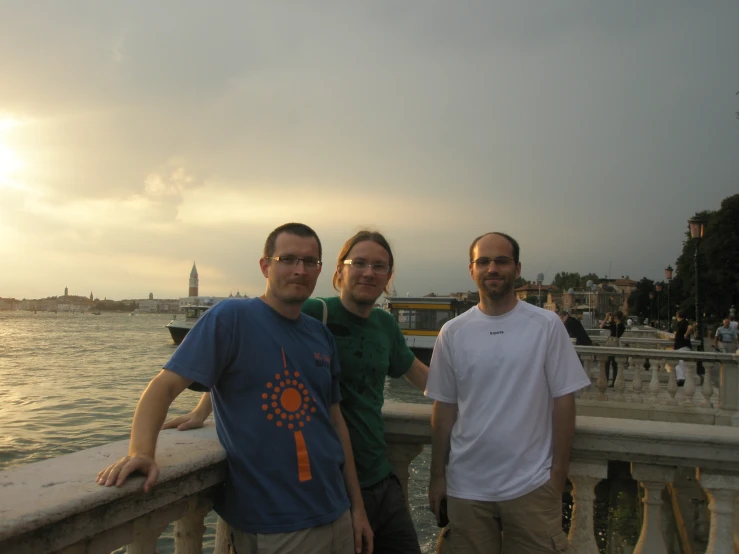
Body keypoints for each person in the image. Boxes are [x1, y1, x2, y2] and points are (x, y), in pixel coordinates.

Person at [96, 223, 373, 554]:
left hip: (336, 513)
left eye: (309, 261)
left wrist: (356, 508)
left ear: (319, 270)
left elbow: (336, 424)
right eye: (288, 259)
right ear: (265, 266)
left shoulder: (321, 335)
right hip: (272, 524)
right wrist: (141, 452)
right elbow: (164, 387)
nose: (299, 270)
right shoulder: (231, 318)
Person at [165, 230, 428, 554]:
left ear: (389, 275)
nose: (369, 272)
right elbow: (248, 356)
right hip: (330, 486)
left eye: (379, 266)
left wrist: (477, 398)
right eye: (359, 263)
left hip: (380, 475)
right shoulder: (314, 313)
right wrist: (202, 410)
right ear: (338, 270)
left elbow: (420, 376)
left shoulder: (384, 325)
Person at [426, 232, 590, 553]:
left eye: (501, 261)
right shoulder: (453, 332)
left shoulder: (546, 325)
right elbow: (444, 409)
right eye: (483, 261)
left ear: (517, 268)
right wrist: (437, 477)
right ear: (471, 270)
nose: (492, 269)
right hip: (465, 489)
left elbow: (564, 403)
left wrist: (557, 477)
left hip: (531, 487)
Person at [600, 311, 626, 387]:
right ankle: (614, 381)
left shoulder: (615, 326)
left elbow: (601, 326)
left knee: (607, 364)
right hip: (616, 344)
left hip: (611, 344)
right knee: (614, 364)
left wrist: (606, 317)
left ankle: (606, 380)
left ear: (617, 318)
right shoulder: (622, 326)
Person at [673, 311, 693, 387]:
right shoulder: (681, 323)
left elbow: (690, 327)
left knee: (681, 363)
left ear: (677, 316)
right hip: (681, 345)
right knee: (680, 364)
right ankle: (680, 378)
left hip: (682, 346)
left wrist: (686, 335)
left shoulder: (683, 322)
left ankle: (681, 379)